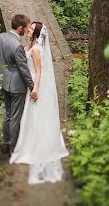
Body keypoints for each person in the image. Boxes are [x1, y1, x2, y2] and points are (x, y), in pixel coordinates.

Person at [10, 21, 69, 184]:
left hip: (35, 84)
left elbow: (39, 70)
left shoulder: (36, 49)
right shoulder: (30, 45)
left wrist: (35, 89)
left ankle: (38, 146)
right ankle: (29, 143)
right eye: (28, 28)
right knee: (29, 115)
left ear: (36, 33)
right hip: (28, 82)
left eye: (30, 29)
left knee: (36, 114)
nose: (27, 30)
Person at [0, 14, 35, 156]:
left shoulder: (1, 37)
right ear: (20, 28)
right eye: (27, 28)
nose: (27, 30)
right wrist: (32, 87)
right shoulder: (17, 46)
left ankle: (5, 144)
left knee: (8, 115)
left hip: (3, 81)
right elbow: (23, 69)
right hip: (17, 86)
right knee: (15, 118)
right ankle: (14, 148)